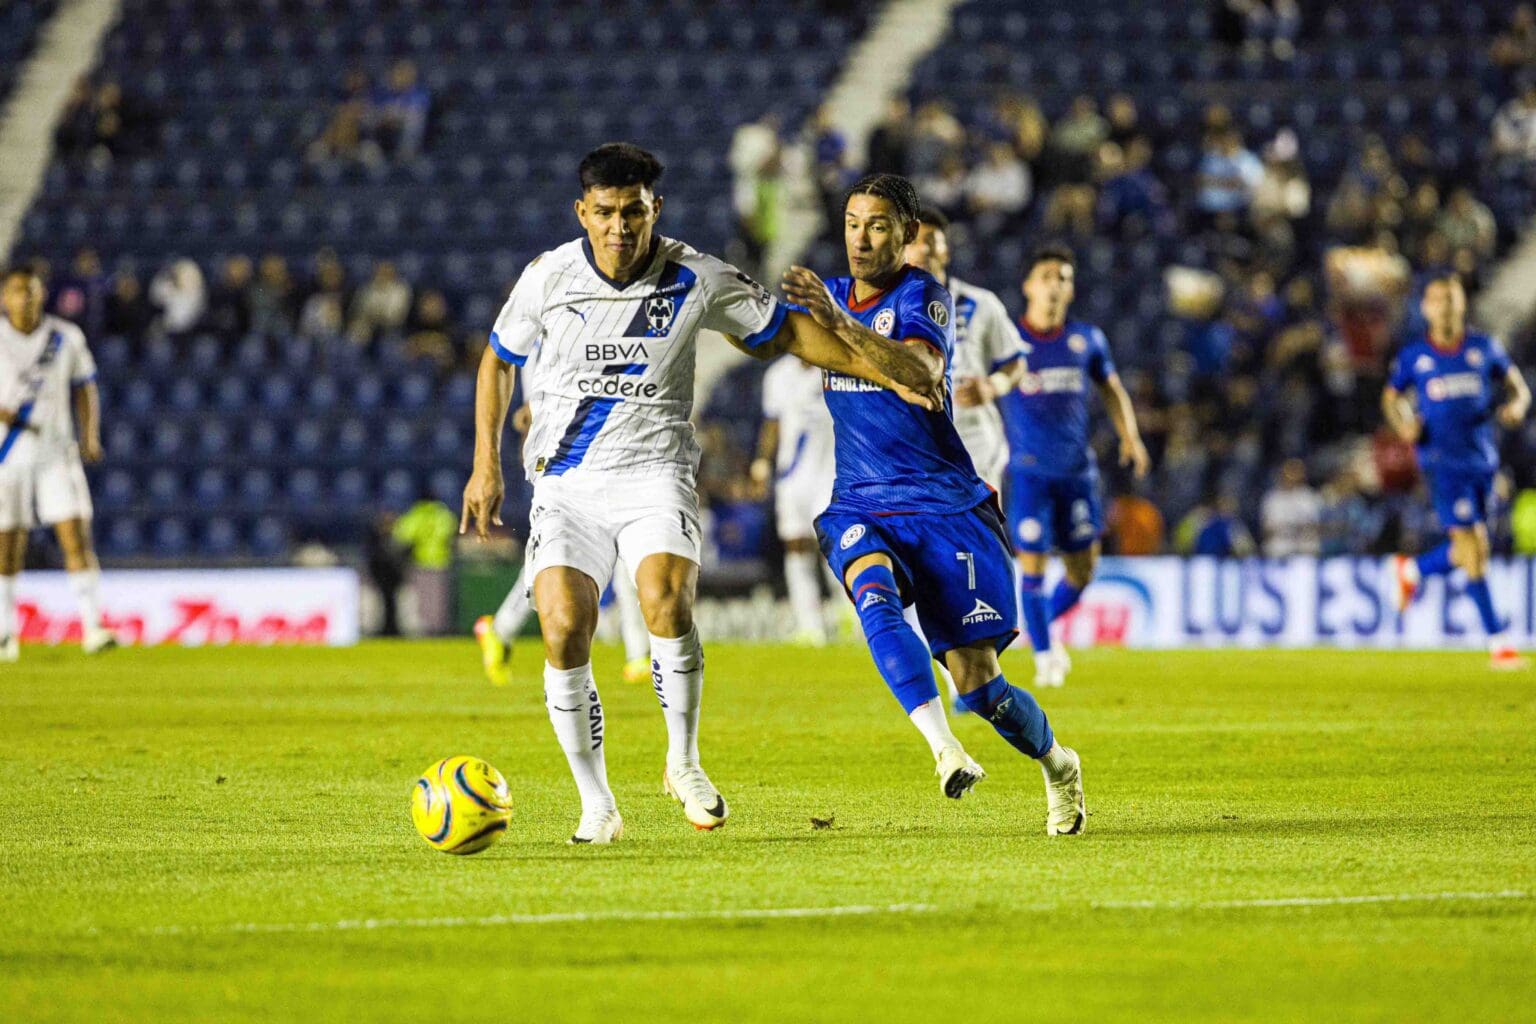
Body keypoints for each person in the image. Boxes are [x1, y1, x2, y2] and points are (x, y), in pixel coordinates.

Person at [460, 144, 949, 844]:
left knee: (664, 599)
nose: (620, 228)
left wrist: (882, 367)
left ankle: (683, 762)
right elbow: (496, 361)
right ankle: (596, 802)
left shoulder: (698, 277)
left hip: (653, 476)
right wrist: (487, 465)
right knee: (565, 627)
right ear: (583, 213)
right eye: (605, 213)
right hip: (567, 485)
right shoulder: (548, 277)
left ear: (655, 208)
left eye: (634, 212)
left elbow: (788, 336)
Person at [733, 172, 1086, 835]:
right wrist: (717, 304)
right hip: (862, 501)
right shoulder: (829, 295)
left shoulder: (926, 297)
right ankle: (943, 749)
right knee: (872, 591)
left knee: (980, 686)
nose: (860, 239)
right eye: (851, 223)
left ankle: (1059, 764)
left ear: (906, 234)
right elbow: (776, 336)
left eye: (877, 226)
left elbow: (920, 375)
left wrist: (837, 323)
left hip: (946, 505)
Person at [998, 244, 1149, 687]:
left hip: (1078, 474)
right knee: (1033, 565)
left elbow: (1112, 389)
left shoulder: (1087, 340)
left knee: (1083, 570)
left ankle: (1034, 629)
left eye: (1063, 277)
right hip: (1028, 474)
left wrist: (1130, 436)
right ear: (1028, 285)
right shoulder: (1008, 343)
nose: (1055, 285)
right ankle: (1045, 656)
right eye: (1046, 276)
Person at [474, 349, 650, 686]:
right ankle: (637, 652)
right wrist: (532, 408)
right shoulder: (546, 310)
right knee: (562, 548)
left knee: (596, 542)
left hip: (597, 438)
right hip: (560, 447)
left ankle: (637, 652)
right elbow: (527, 363)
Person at [1384, 273, 1530, 669]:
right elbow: (1392, 397)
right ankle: (1499, 642)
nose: (1445, 307)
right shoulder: (1416, 356)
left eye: (1451, 299)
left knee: (1470, 550)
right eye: (1437, 300)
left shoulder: (1485, 349)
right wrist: (1404, 425)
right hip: (1440, 463)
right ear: (1426, 307)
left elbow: (1519, 388)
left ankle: (1412, 569)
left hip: (1482, 461)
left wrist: (1516, 407)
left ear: (1461, 304)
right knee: (1473, 547)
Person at [0, 265, 116, 661]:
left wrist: (90, 435)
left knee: (75, 534)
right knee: (6, 543)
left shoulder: (65, 337)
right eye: (18, 291)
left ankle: (92, 625)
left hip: (55, 452)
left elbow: (86, 386)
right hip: (6, 455)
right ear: (5, 298)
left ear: (42, 294)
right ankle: (4, 631)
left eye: (32, 290)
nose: (25, 297)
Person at [752, 354, 837, 645]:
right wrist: (763, 461)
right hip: (792, 475)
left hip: (831, 472)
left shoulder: (835, 364)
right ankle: (810, 626)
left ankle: (850, 614)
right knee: (796, 545)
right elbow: (772, 422)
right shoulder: (778, 374)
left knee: (835, 543)